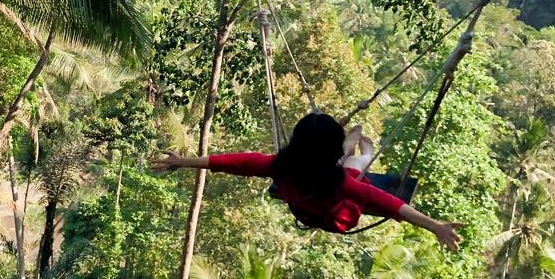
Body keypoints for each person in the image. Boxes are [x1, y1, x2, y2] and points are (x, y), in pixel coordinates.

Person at [150, 112, 464, 251]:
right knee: (357, 164)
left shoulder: (276, 166)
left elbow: (230, 162)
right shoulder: (344, 184)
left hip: (307, 208)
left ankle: (351, 142)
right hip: (337, 216)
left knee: (350, 162)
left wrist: (184, 162)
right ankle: (361, 149)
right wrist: (434, 225)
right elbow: (391, 205)